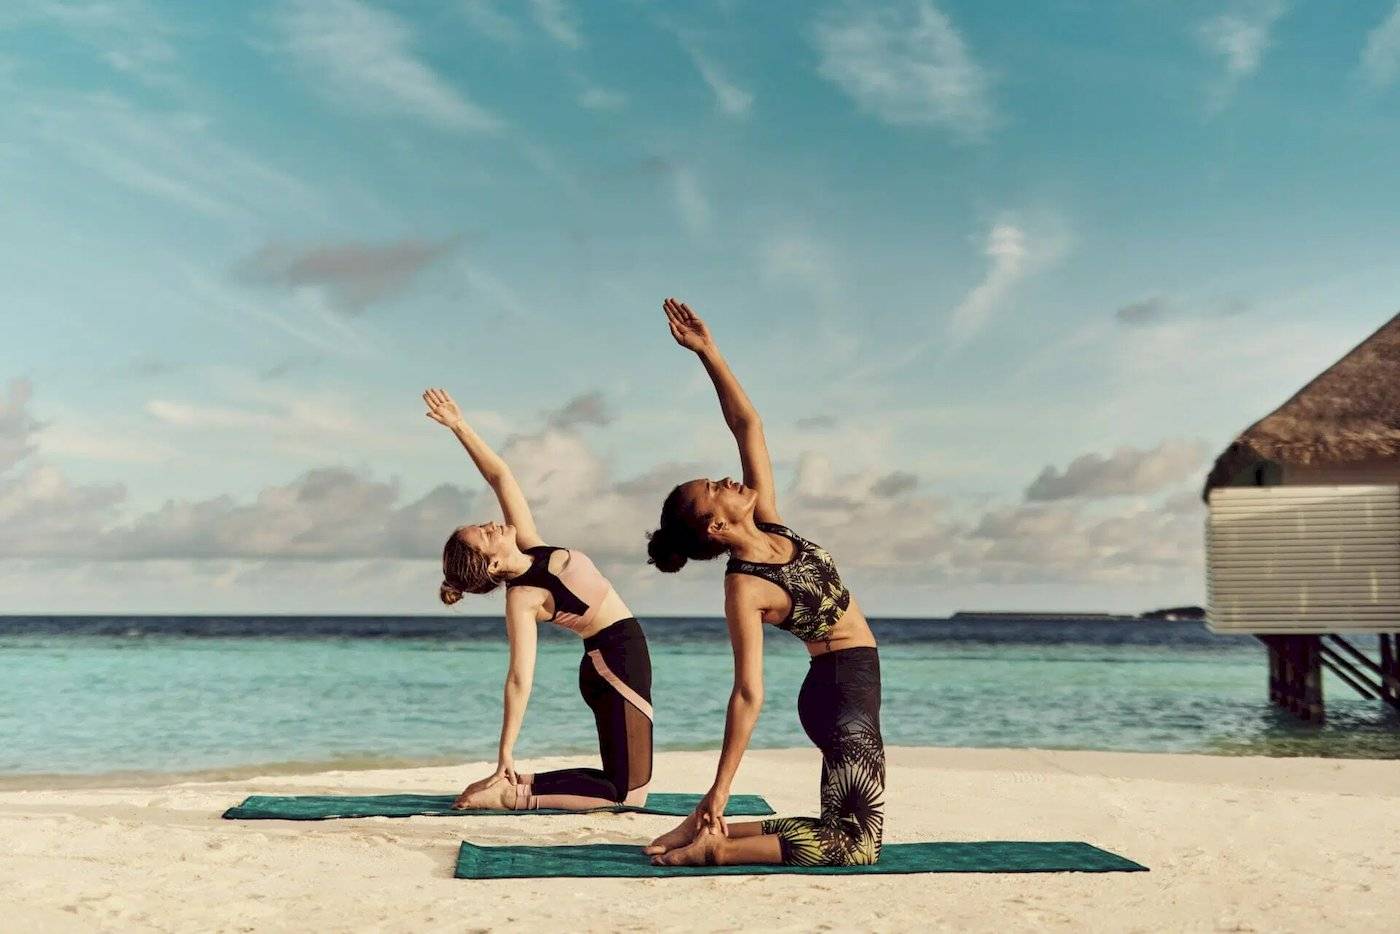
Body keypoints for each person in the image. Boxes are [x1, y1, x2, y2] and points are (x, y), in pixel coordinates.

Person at [641, 299, 884, 867]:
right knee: (858, 846)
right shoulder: (744, 586)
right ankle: (714, 848)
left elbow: (747, 425)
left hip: (853, 682)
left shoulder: (772, 525)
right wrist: (721, 784)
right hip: (839, 691)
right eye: (715, 488)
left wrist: (709, 352)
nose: (728, 478)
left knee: (842, 825)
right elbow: (748, 693)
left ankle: (702, 828)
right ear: (717, 525)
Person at [423, 387, 653, 811]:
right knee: (629, 795)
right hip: (612, 661)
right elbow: (518, 678)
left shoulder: (530, 545)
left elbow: (501, 477)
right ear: (491, 566)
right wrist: (505, 749)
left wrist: (459, 425)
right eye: (485, 534)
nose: (492, 523)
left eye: (484, 524)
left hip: (622, 655)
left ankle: (516, 783)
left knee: (624, 782)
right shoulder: (523, 598)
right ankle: (513, 794)